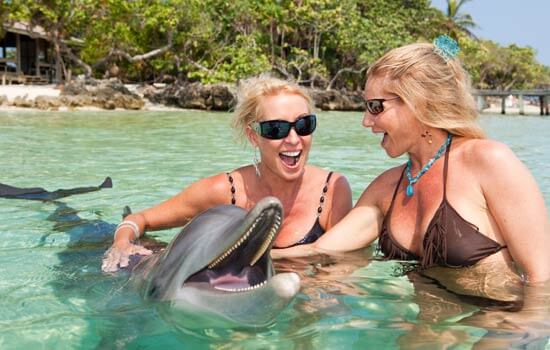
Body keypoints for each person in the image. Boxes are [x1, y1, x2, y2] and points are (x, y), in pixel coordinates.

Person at [272, 36, 550, 284]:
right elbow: (321, 250)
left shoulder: (488, 161)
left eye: (375, 107)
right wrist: (246, 257)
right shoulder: (387, 188)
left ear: (420, 103)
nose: (366, 121)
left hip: (502, 324)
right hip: (429, 330)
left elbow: (542, 278)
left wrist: (514, 332)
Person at [102, 75, 352, 272]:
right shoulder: (225, 191)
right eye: (276, 129)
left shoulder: (332, 190)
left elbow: (343, 263)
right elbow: (140, 219)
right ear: (253, 136)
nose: (294, 139)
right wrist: (122, 243)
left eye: (304, 125)